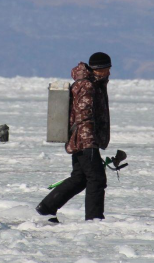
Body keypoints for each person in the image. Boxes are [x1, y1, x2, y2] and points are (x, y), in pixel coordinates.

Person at [36, 52, 112, 222]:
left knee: (80, 178)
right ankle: (94, 219)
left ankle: (47, 208)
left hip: (82, 139)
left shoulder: (94, 84)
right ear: (98, 70)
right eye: (106, 69)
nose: (109, 73)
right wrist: (89, 144)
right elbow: (83, 116)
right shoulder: (87, 86)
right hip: (84, 140)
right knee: (96, 179)